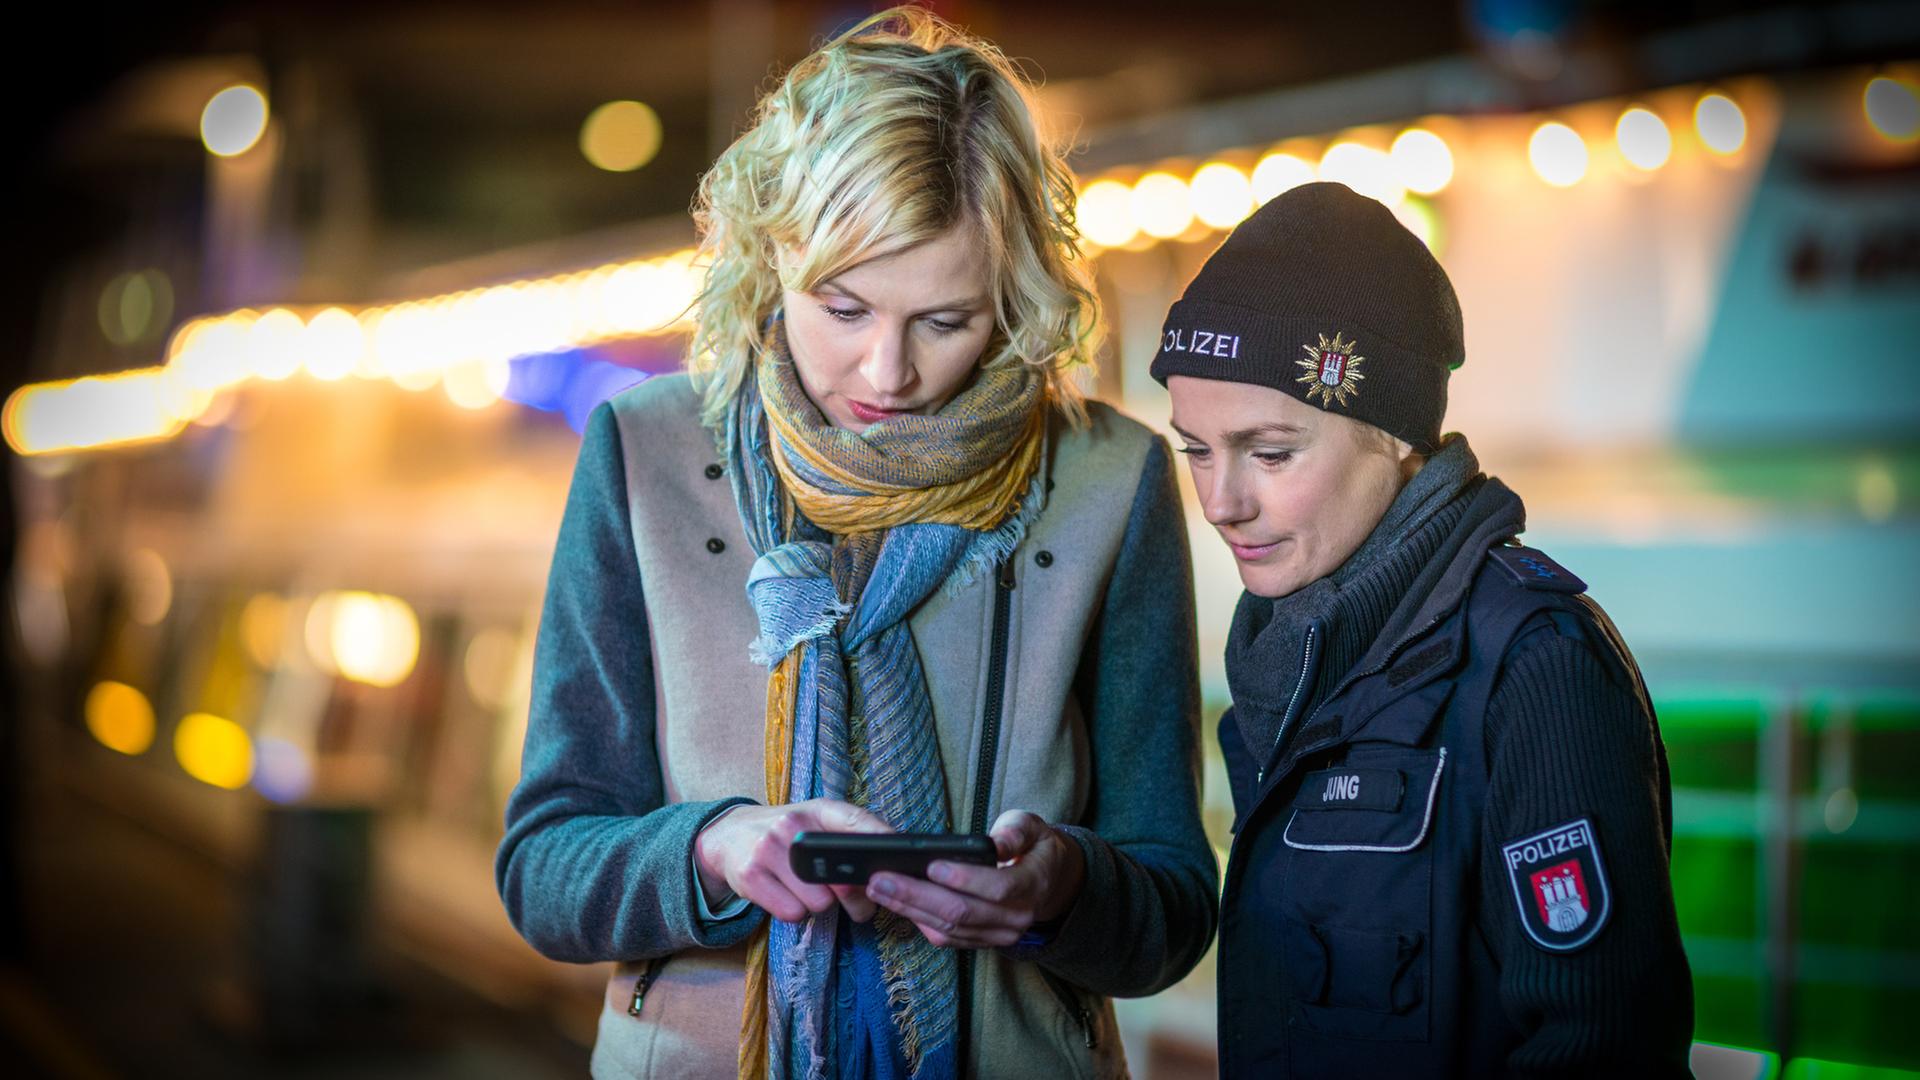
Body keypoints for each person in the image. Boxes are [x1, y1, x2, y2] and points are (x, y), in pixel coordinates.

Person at [495, 9, 1217, 1079]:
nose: (887, 372)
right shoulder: (644, 453)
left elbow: (1174, 906)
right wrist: (713, 849)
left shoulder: (1109, 480)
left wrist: (1064, 889)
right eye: (842, 309)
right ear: (769, 257)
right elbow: (542, 868)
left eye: (947, 320)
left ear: (1015, 295)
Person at [1152, 181, 1695, 1077]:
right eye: (1196, 450)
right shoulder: (1294, 651)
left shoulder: (1536, 666)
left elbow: (1601, 1049)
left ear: (1398, 434)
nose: (1219, 502)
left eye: (1270, 453)